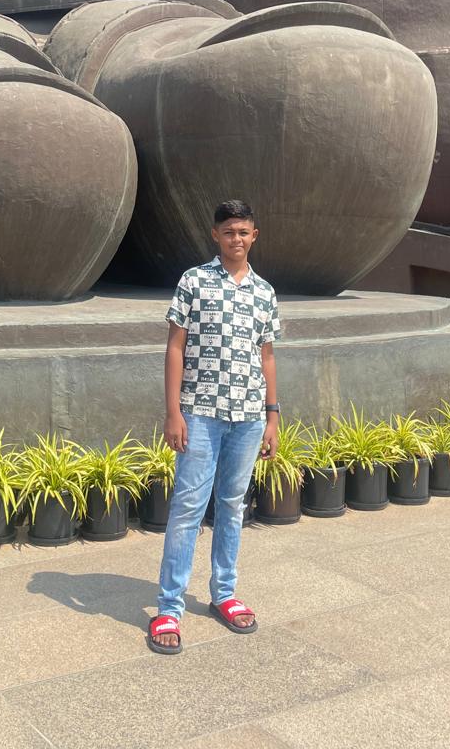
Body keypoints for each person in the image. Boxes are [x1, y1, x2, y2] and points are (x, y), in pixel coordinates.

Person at [148, 199, 280, 656]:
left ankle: (224, 593)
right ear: (215, 235)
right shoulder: (194, 281)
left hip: (248, 416)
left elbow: (266, 356)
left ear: (253, 236)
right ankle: (169, 607)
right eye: (228, 232)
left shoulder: (264, 292)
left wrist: (272, 415)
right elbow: (175, 347)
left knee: (232, 506)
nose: (236, 239)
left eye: (243, 232)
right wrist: (173, 412)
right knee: (188, 508)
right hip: (200, 412)